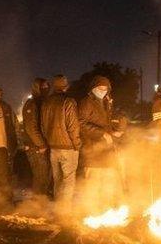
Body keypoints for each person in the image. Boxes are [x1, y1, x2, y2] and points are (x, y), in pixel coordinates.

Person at [78, 75, 123, 213]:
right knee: (93, 183)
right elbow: (81, 123)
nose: (103, 90)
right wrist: (102, 134)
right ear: (93, 88)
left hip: (107, 151)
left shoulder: (106, 102)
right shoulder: (87, 102)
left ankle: (105, 210)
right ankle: (91, 211)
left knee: (108, 181)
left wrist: (114, 131)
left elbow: (106, 122)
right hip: (92, 150)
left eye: (105, 88)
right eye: (100, 88)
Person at [40, 75, 80, 220]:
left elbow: (43, 126)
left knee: (57, 180)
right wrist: (77, 145)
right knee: (68, 181)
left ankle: (58, 210)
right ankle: (65, 212)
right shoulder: (68, 102)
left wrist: (48, 141)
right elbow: (73, 126)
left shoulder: (46, 103)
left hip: (53, 148)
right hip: (68, 147)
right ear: (66, 86)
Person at [21, 78, 51, 197]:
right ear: (37, 88)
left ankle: (41, 201)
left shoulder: (41, 103)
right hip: (36, 147)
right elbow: (31, 127)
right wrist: (41, 144)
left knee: (44, 176)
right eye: (43, 87)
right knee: (40, 176)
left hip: (40, 145)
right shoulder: (32, 104)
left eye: (46, 86)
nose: (46, 89)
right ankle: (38, 205)